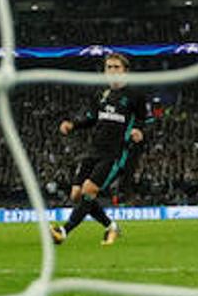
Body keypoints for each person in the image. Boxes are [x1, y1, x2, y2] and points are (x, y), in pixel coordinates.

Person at [51, 52, 152, 247]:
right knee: (76, 195)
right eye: (109, 67)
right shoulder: (101, 95)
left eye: (116, 67)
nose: (112, 71)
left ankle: (63, 231)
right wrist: (73, 125)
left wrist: (139, 130)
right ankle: (111, 226)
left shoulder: (135, 95)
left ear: (125, 71)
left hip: (114, 153)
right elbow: (91, 118)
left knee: (89, 190)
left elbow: (144, 119)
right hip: (93, 150)